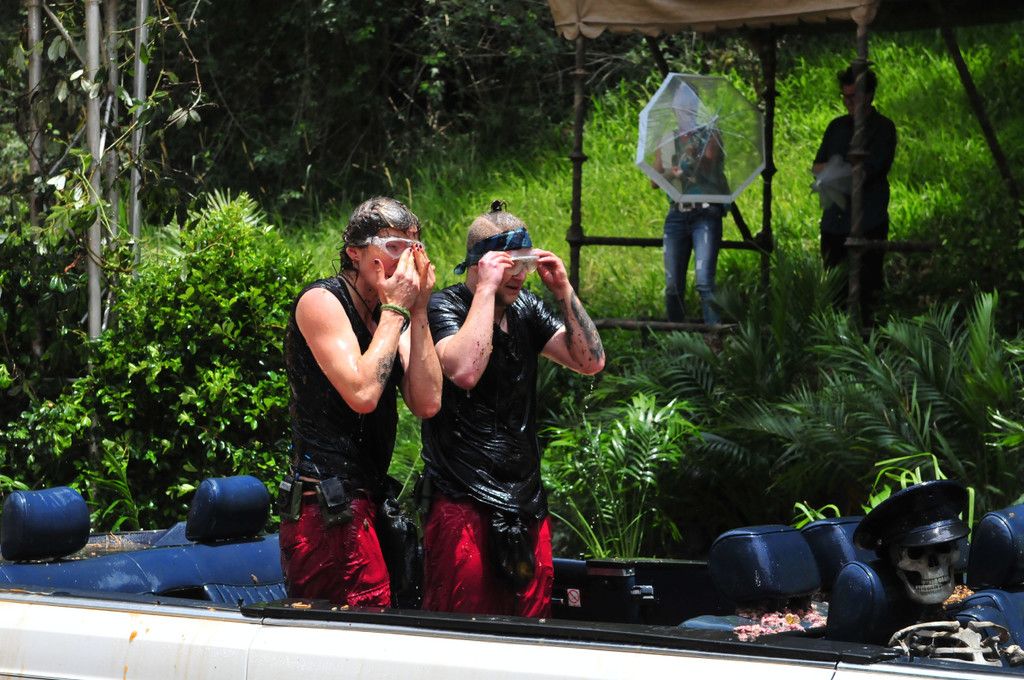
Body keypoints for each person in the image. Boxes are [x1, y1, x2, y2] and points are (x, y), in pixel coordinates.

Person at [419, 201, 605, 618]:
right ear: (480, 265)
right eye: (509, 264)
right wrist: (486, 290)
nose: (520, 275)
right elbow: (465, 371)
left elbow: (590, 361)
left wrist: (563, 291)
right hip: (462, 496)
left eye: (526, 263)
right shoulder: (443, 307)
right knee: (463, 628)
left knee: (532, 628)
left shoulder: (526, 309)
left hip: (525, 498)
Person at [279, 196, 442, 607]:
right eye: (393, 247)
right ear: (355, 252)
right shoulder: (322, 302)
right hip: (326, 508)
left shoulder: (392, 315)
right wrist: (396, 309)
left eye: (414, 249)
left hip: (368, 498)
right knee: (355, 628)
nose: (405, 261)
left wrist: (420, 310)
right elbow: (363, 394)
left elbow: (427, 403)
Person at [813, 65, 897, 324]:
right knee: (835, 292)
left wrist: (840, 171)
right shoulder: (836, 127)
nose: (848, 103)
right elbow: (817, 166)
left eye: (854, 97)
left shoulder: (883, 128)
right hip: (835, 222)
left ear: (869, 95)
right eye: (845, 97)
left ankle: (868, 337)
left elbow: (868, 171)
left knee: (868, 291)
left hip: (868, 220)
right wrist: (840, 170)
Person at [651, 83, 729, 325]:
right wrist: (673, 172)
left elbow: (709, 162)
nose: (683, 109)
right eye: (679, 104)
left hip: (706, 212)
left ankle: (714, 338)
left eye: (689, 103)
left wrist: (696, 149)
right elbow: (655, 180)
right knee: (673, 286)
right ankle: (678, 337)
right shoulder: (669, 138)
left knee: (704, 282)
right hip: (677, 213)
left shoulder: (709, 133)